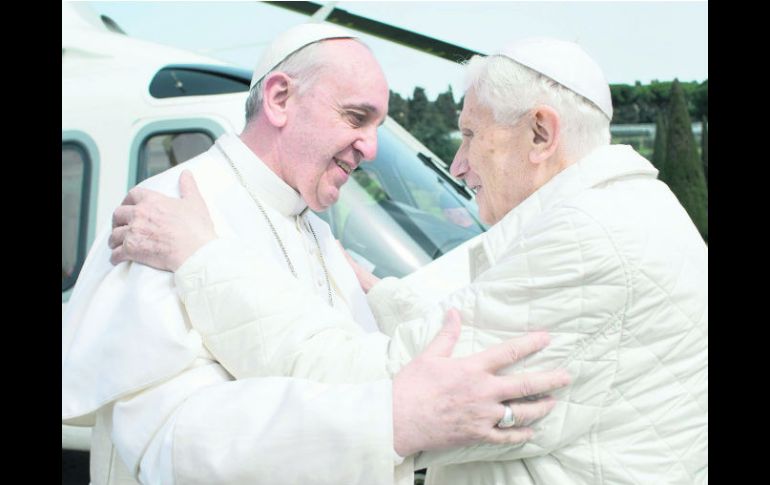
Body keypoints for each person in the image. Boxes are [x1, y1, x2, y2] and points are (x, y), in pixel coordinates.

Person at [111, 36, 708, 484]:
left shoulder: (589, 240)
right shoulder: (630, 212)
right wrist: (372, 291)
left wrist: (202, 258)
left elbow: (384, 386)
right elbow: (468, 324)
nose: (459, 164)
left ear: (540, 134)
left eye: (471, 134)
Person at [62, 24, 570, 485]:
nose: (370, 148)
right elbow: (168, 444)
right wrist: (389, 420)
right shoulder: (167, 212)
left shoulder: (316, 230)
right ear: (281, 98)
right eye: (356, 117)